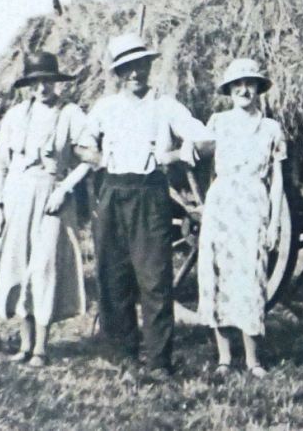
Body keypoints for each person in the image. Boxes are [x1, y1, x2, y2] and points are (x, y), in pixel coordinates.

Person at [76, 32, 210, 380]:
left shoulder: (165, 105)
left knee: (154, 279)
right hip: (113, 191)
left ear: (149, 66)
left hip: (150, 194)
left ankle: (159, 362)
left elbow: (203, 136)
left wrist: (182, 151)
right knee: (113, 275)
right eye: (127, 68)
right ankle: (123, 355)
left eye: (140, 65)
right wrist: (97, 157)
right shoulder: (105, 107)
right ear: (118, 73)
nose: (135, 73)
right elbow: (82, 145)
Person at [0, 52, 90, 367]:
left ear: (57, 83)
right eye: (36, 82)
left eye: (48, 81)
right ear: (28, 84)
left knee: (44, 266)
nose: (42, 88)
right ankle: (24, 344)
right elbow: (0, 165)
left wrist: (65, 189)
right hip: (15, 195)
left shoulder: (70, 114)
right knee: (16, 265)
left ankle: (41, 348)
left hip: (51, 197)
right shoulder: (15, 116)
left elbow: (90, 158)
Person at [197, 58, 286, 378]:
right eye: (237, 85)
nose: (244, 90)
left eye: (250, 84)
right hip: (221, 205)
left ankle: (253, 360)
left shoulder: (271, 128)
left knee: (251, 277)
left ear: (259, 89)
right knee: (217, 276)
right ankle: (224, 358)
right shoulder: (218, 123)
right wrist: (182, 148)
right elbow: (197, 151)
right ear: (229, 90)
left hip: (253, 205)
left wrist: (274, 221)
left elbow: (277, 180)